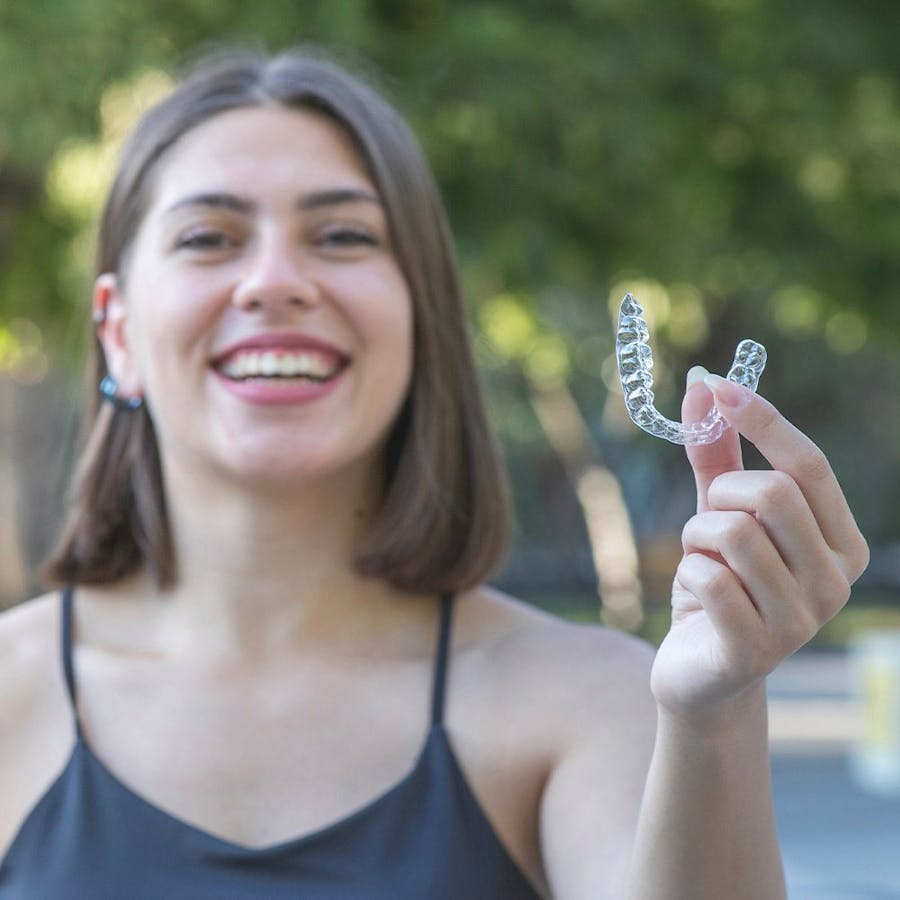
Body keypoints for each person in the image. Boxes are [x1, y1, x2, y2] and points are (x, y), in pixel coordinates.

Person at [0, 47, 868, 899]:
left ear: (420, 318)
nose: (274, 281)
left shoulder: (587, 701)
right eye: (207, 237)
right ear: (117, 331)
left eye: (341, 235)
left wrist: (714, 712)